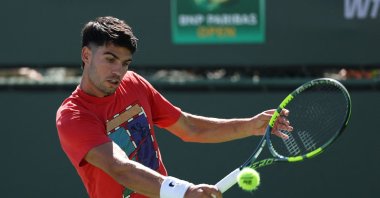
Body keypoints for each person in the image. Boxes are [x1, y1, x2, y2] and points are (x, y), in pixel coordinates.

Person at [56, 16, 292, 198]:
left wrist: (250, 126)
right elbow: (120, 168)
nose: (118, 71)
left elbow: (189, 127)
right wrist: (185, 191)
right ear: (86, 55)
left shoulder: (134, 83)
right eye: (110, 59)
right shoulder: (73, 117)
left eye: (125, 63)